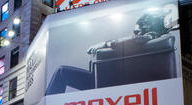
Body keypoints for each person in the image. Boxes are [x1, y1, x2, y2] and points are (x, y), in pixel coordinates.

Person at [45, 12, 173, 95]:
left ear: (147, 28)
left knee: (62, 72)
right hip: (118, 82)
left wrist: (104, 44)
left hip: (111, 83)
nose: (135, 34)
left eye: (137, 31)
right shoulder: (159, 40)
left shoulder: (149, 37)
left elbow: (137, 40)